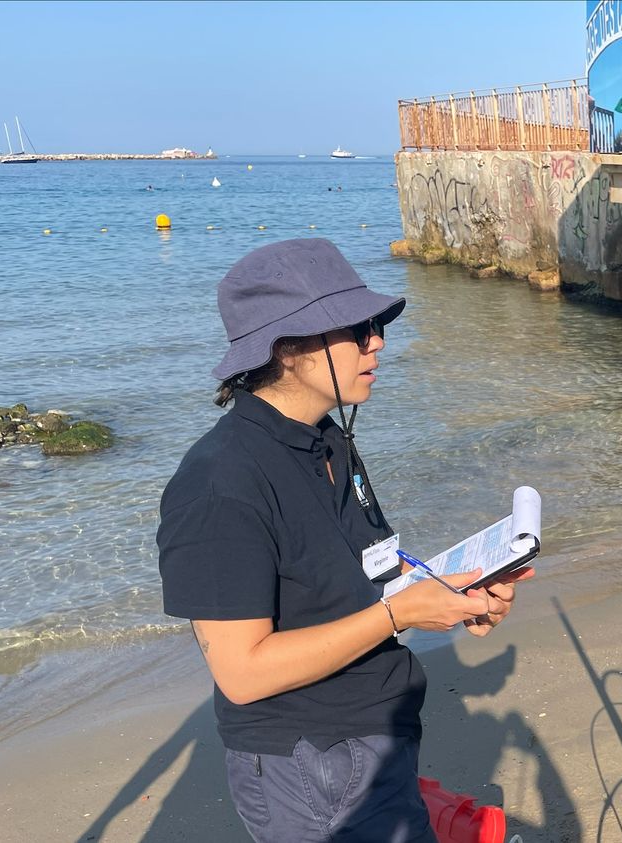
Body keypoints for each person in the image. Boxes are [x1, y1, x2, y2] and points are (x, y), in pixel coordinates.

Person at [158, 238, 532, 843]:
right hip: (308, 764)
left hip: (375, 734)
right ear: (287, 349)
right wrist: (399, 615)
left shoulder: (326, 439)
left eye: (375, 326)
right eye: (356, 330)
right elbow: (243, 673)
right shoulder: (218, 484)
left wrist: (456, 593)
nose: (377, 342)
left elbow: (364, 579)